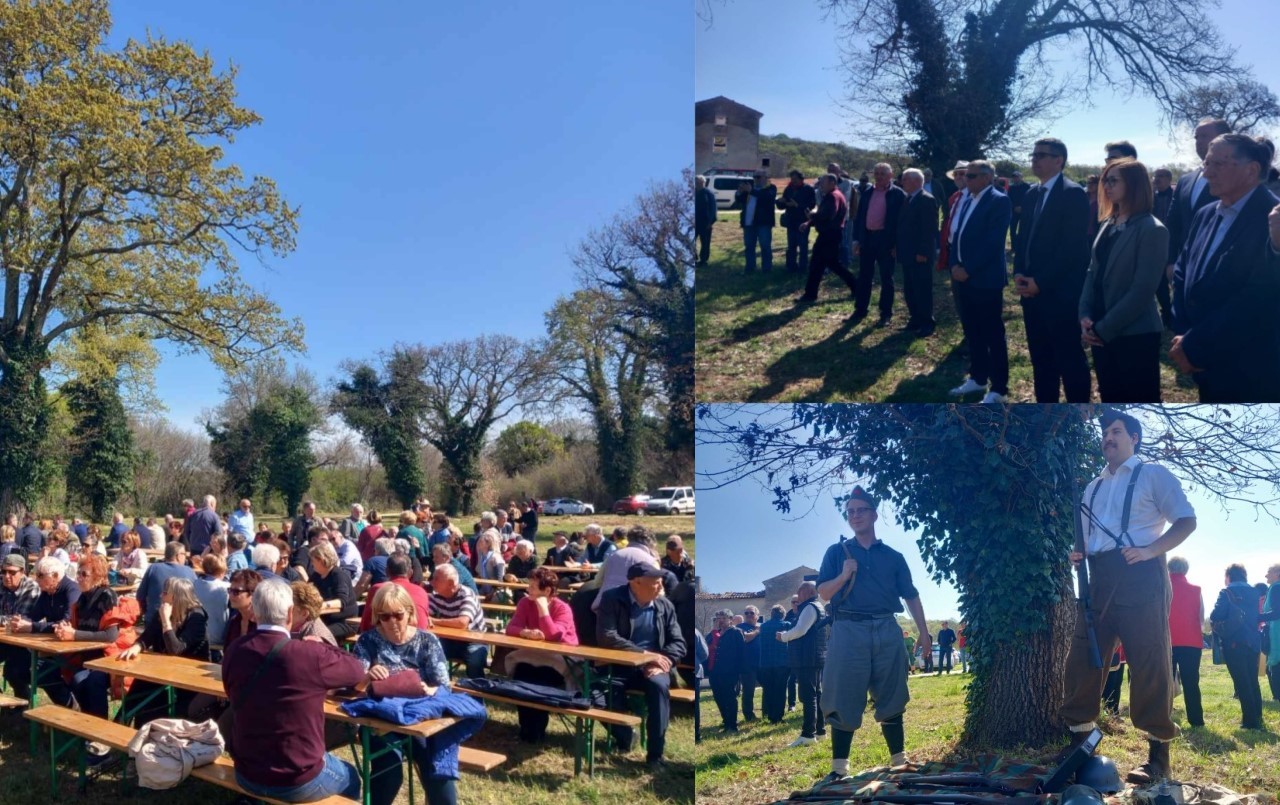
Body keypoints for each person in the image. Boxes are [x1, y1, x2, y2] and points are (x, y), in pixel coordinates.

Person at [1061, 409, 1196, 783]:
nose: (1108, 438)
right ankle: (1080, 746)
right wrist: (1080, 553)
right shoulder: (1092, 487)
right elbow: (1087, 539)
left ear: (1134, 438)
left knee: (1149, 659)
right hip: (1098, 580)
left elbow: (1186, 519)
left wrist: (1152, 551)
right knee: (1083, 659)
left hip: (1141, 576)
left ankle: (1158, 757)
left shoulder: (1154, 474)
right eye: (1105, 432)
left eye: (1116, 431)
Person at [814, 488, 929, 784]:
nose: (855, 516)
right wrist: (843, 575)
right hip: (848, 628)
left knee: (892, 689)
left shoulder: (893, 556)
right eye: (850, 512)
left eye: (861, 510)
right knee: (841, 691)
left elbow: (911, 596)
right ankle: (839, 767)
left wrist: (925, 633)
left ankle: (899, 760)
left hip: (886, 626)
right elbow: (823, 594)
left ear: (874, 514)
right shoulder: (836, 552)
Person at [222, 578, 365, 802]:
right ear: (290, 613)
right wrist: (322, 646)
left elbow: (231, 694)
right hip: (298, 777)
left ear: (255, 613)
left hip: (247, 772)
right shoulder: (309, 655)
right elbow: (357, 670)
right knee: (352, 778)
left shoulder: (234, 650)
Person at [1171, 133, 1280, 401]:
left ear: (1251, 170)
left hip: (1250, 368)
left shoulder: (1273, 220)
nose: (1207, 173)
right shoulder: (1206, 213)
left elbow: (1260, 297)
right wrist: (1183, 336)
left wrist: (1197, 344)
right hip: (1200, 360)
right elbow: (1183, 272)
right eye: (1206, 164)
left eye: (1217, 164)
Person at [356, 583, 474, 805]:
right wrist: (368, 676)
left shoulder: (426, 641)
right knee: (389, 773)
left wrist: (429, 689)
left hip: (419, 718)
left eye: (398, 615)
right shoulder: (367, 641)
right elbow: (355, 686)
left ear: (410, 612)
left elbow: (443, 685)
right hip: (381, 719)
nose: (392, 622)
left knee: (437, 770)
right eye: (384, 616)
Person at [1078, 159, 1169, 402]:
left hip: (1135, 335)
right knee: (1111, 397)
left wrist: (1104, 328)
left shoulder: (1152, 229)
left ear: (1134, 184)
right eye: (1105, 180)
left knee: (1139, 401)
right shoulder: (1108, 222)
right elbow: (1092, 271)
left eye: (1113, 180)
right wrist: (1085, 314)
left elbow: (1143, 290)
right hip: (1100, 329)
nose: (1106, 186)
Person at [1013, 138, 1091, 403]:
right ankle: (1044, 415)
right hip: (1031, 294)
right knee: (1041, 360)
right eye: (1033, 154)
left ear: (1059, 160)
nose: (1034, 159)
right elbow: (1023, 238)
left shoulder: (1073, 194)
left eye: (1042, 155)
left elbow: (1073, 250)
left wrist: (1042, 282)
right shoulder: (1032, 193)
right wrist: (1019, 273)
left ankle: (1077, 416)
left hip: (1060, 295)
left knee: (1069, 360)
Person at [596, 564, 686, 767]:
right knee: (593, 691)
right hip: (618, 664)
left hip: (654, 667)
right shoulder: (612, 599)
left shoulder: (664, 606)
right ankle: (625, 734)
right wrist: (644, 654)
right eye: (654, 583)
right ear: (635, 583)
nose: (659, 587)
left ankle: (656, 755)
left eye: (661, 582)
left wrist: (666, 662)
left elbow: (678, 642)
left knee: (658, 687)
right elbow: (607, 636)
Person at [947, 160, 1013, 404]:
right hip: (963, 276)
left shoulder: (999, 200)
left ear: (986, 178)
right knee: (972, 330)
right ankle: (978, 377)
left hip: (985, 279)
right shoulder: (967, 199)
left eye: (971, 176)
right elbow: (956, 235)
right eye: (965, 176)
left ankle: (999, 388)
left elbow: (993, 243)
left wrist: (968, 269)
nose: (966, 180)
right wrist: (955, 264)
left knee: (992, 333)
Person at [117, 576, 209, 726]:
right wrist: (137, 646)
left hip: (189, 678)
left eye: (165, 592)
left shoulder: (196, 618)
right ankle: (120, 723)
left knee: (151, 697)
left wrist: (166, 622)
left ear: (176, 596)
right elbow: (147, 637)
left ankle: (129, 727)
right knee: (140, 683)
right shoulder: (162, 612)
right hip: (164, 671)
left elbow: (176, 650)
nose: (161, 595)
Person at [502, 566, 580, 741]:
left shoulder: (563, 608)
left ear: (547, 591)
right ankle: (526, 729)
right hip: (532, 655)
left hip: (560, 660)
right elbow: (511, 628)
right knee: (520, 678)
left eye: (533, 587)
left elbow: (554, 635)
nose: (528, 589)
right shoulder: (524, 603)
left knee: (540, 683)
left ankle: (536, 731)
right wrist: (525, 632)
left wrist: (543, 609)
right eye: (528, 585)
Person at [43, 555, 117, 733]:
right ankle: (86, 724)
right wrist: (67, 628)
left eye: (84, 574)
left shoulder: (107, 597)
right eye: (78, 574)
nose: (79, 578)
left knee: (91, 681)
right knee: (66, 675)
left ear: (98, 577)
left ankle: (100, 732)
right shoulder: (82, 599)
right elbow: (78, 629)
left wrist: (74, 634)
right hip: (84, 657)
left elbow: (110, 636)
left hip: (108, 659)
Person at [1167, 119, 1232, 273]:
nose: (1199, 141)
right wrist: (1170, 262)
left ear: (1223, 138)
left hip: (1219, 269)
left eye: (1204, 136)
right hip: (1183, 267)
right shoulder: (1185, 180)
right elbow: (1173, 224)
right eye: (1197, 137)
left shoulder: (1234, 178)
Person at [851, 163, 907, 326]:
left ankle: (886, 313)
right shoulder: (867, 192)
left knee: (886, 278)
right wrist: (856, 240)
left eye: (883, 173)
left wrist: (897, 244)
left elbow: (901, 223)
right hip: (867, 238)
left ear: (890, 175)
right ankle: (860, 309)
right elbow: (859, 217)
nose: (879, 176)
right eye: (876, 173)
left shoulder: (898, 195)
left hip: (886, 241)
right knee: (864, 276)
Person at [1210, 564, 1264, 729]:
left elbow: (1215, 615)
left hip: (1234, 642)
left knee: (1241, 682)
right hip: (1254, 641)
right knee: (1252, 680)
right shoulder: (1255, 592)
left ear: (1229, 576)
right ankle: (1257, 717)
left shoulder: (1226, 593)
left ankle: (1250, 722)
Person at [779, 580, 829, 746]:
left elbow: (800, 630)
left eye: (799, 592)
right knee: (816, 694)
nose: (797, 596)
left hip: (807, 658)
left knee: (808, 697)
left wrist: (783, 636)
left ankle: (808, 735)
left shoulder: (809, 607)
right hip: (815, 657)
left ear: (808, 593)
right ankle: (820, 731)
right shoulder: (818, 607)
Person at [896, 168, 940, 336]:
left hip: (919, 254)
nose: (902, 182)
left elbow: (929, 229)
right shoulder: (909, 199)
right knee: (910, 288)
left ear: (916, 181)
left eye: (905, 179)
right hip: (907, 252)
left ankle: (927, 322)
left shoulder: (926, 199)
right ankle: (915, 319)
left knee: (922, 288)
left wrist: (923, 251)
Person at [428, 563, 488, 678]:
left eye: (436, 579)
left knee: (475, 664)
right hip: (450, 639)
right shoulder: (436, 594)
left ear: (450, 583)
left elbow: (462, 623)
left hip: (474, 640)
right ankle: (440, 689)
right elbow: (425, 615)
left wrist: (435, 621)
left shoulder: (467, 594)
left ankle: (477, 694)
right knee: (430, 653)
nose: (432, 582)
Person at [1166, 556, 1205, 727]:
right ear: (1185, 570)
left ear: (1168, 569)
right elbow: (1201, 618)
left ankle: (1163, 717)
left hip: (1167, 640)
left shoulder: (1163, 588)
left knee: (1165, 682)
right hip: (1192, 641)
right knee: (1191, 682)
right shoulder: (1196, 590)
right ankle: (1196, 720)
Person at [0, 554, 40, 698]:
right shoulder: (2, 584)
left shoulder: (31, 587)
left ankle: (23, 705)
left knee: (13, 671)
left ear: (23, 572)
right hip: (5, 639)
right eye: (3, 572)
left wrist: (5, 620)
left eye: (12, 572)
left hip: (26, 644)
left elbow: (19, 619)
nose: (6, 576)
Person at [592, 526, 661, 610]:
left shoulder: (613, 555)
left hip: (604, 606)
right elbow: (658, 591)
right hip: (635, 610)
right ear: (651, 544)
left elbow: (597, 582)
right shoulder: (651, 561)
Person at [359, 553, 431, 632]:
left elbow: (366, 624)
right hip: (419, 639)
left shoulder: (378, 589)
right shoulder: (421, 591)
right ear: (410, 572)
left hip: (386, 639)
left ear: (386, 572)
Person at [308, 542, 358, 641]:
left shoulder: (339, 575)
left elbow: (341, 602)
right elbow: (305, 591)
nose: (311, 563)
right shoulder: (316, 576)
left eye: (313, 560)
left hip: (344, 622)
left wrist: (321, 606)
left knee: (317, 635)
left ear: (321, 560)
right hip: (324, 620)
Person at [136, 540, 195, 620]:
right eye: (184, 554)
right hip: (181, 622)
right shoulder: (189, 571)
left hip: (154, 620)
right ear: (178, 556)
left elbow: (140, 595)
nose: (185, 558)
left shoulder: (153, 568)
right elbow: (196, 597)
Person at [707, 609, 743, 732]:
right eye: (718, 617)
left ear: (730, 620)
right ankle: (726, 720)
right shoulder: (713, 633)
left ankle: (732, 724)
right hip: (714, 671)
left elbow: (741, 652)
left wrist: (739, 671)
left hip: (730, 671)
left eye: (723, 618)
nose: (720, 620)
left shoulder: (736, 632)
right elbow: (705, 646)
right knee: (718, 696)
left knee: (730, 697)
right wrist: (714, 631)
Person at [737, 171, 778, 273]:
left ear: (766, 177)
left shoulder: (771, 188)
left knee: (765, 246)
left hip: (763, 223)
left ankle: (766, 268)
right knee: (749, 246)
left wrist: (751, 191)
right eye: (754, 177)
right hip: (748, 222)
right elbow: (740, 200)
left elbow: (766, 198)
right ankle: (750, 268)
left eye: (758, 177)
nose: (756, 179)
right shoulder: (750, 188)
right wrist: (740, 191)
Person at [756, 605, 790, 723]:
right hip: (782, 662)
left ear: (771, 614)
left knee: (769, 689)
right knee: (780, 690)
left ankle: (770, 714)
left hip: (765, 663)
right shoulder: (786, 625)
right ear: (783, 615)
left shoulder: (763, 626)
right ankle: (778, 716)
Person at [193, 554, 231, 659]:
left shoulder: (194, 584)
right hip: (218, 636)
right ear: (222, 570)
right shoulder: (227, 588)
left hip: (197, 634)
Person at [779, 170, 817, 273]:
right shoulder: (789, 188)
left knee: (803, 245)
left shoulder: (808, 189)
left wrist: (797, 205)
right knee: (791, 245)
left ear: (801, 179)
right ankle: (791, 267)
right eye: (792, 179)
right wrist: (780, 202)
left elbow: (812, 204)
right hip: (791, 220)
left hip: (803, 221)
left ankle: (802, 268)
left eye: (795, 179)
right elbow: (782, 204)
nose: (793, 181)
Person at [290, 580, 337, 647]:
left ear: (304, 613)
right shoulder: (297, 624)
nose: (282, 609)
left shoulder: (315, 641)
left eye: (290, 608)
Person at [223, 568, 263, 647]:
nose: (230, 595)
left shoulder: (261, 624)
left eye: (236, 592)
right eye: (230, 590)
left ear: (253, 594)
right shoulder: (234, 621)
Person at [737, 605, 762, 721]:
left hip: (762, 664)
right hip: (747, 665)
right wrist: (757, 631)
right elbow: (746, 638)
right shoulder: (740, 627)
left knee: (768, 688)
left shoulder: (762, 627)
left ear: (757, 616)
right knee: (748, 691)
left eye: (751, 613)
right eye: (746, 613)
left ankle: (767, 711)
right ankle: (749, 715)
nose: (749, 615)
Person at [1263, 563, 1280, 703]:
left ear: (1277, 573)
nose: (1266, 575)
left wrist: (1256, 617)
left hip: (1277, 632)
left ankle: (1278, 696)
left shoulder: (1276, 588)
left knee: (1275, 665)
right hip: (1274, 629)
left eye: (1269, 571)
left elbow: (1276, 613)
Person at [472, 531, 506, 598]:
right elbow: (479, 573)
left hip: (496, 591)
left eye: (481, 542)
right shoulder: (481, 557)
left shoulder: (495, 557)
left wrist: (492, 593)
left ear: (487, 544)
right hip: (484, 588)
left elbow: (499, 579)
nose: (478, 544)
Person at [695, 175, 716, 267]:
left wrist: (710, 222)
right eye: (697, 183)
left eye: (700, 182)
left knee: (705, 243)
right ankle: (694, 258)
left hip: (706, 223)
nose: (698, 184)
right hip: (694, 222)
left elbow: (713, 209)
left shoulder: (709, 193)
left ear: (704, 183)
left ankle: (704, 260)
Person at [1007, 170, 1030, 250]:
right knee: (1012, 230)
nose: (1015, 179)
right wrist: (1014, 207)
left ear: (1021, 177)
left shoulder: (1027, 186)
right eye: (1014, 177)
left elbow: (1029, 199)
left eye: (1017, 177)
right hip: (1014, 211)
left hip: (1024, 211)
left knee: (1023, 230)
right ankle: (1014, 247)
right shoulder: (1011, 187)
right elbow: (1009, 199)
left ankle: (1021, 247)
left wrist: (1022, 207)